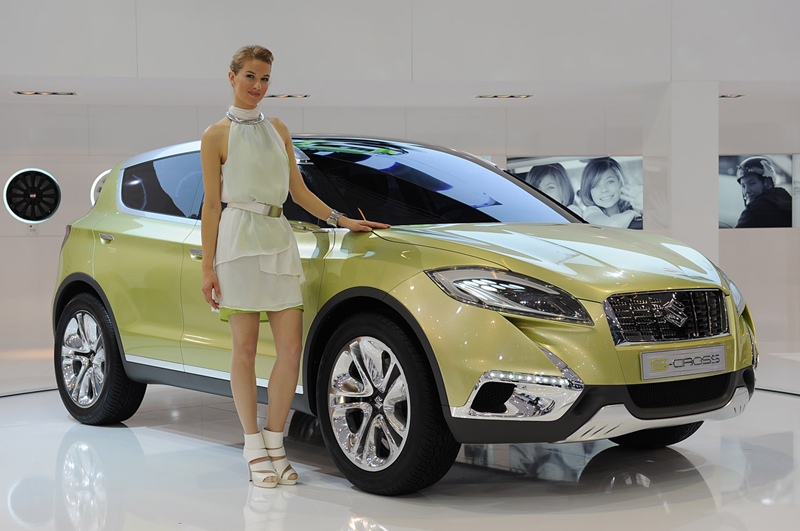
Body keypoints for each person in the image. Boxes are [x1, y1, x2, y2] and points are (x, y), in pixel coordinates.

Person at [200, 45, 389, 489]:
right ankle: (252, 448)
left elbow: (298, 193)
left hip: (278, 238)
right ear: (231, 77)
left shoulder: (279, 129)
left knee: (290, 351)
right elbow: (210, 205)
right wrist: (207, 267)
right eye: (250, 76)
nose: (258, 86)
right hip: (238, 242)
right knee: (245, 351)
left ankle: (275, 442)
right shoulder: (215, 135)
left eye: (265, 78)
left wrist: (341, 220)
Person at [578, 157, 642, 229]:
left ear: (620, 183)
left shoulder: (633, 206)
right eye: (595, 186)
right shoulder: (590, 212)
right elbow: (613, 225)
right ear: (589, 191)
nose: (604, 190)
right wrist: (632, 213)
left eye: (610, 182)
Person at [734, 156, 792, 228]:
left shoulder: (754, 210)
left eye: (752, 183)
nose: (747, 190)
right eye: (743, 186)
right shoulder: (786, 199)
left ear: (767, 183)